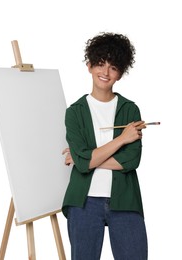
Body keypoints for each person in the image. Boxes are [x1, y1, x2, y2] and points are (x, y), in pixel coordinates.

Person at [62, 32, 148, 260]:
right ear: (89, 65)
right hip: (84, 202)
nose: (105, 72)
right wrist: (122, 138)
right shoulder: (75, 112)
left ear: (120, 73)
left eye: (113, 67)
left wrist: (87, 159)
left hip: (125, 200)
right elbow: (84, 163)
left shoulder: (130, 110)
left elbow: (131, 160)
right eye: (100, 64)